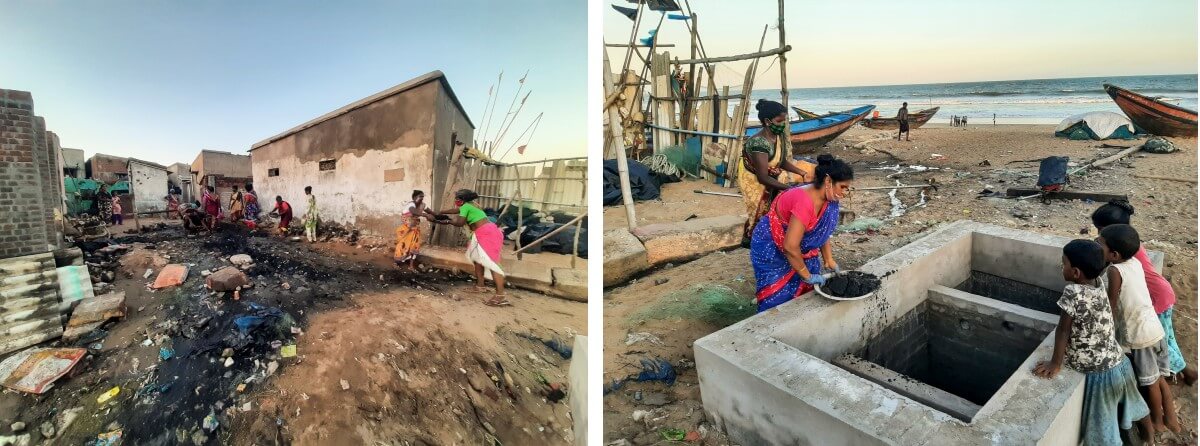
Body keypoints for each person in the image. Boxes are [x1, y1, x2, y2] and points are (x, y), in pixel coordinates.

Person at [1033, 240, 1150, 445]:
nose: (1062, 268)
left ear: (1076, 272)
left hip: (1097, 371)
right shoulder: (1099, 283)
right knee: (1134, 403)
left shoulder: (1073, 292)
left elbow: (1063, 330)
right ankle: (1149, 438)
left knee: (1102, 429)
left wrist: (1056, 363)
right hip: (1118, 360)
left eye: (1064, 264)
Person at [1092, 200, 1195, 385]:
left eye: (1100, 232)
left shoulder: (1120, 253)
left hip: (1155, 297)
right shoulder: (1130, 244)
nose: (1099, 237)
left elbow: (1104, 267)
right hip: (1162, 291)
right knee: (1167, 337)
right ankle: (1184, 370)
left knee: (1155, 342)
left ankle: (1185, 370)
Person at [1098, 224, 1180, 437]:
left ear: (1114, 255)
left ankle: (1157, 422)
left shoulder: (1115, 271)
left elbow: (1112, 305)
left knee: (1150, 382)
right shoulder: (1134, 262)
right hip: (1154, 328)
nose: (1097, 246)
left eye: (1100, 244)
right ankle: (1171, 418)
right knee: (1160, 377)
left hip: (1141, 338)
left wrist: (1105, 333)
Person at [749, 154, 853, 312]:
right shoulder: (804, 201)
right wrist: (807, 275)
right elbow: (790, 247)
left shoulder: (830, 199)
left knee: (807, 287)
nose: (845, 192)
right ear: (828, 181)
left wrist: (829, 259)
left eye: (848, 188)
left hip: (796, 242)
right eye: (842, 187)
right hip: (771, 244)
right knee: (776, 296)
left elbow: (821, 231)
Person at [738, 99, 817, 242]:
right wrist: (789, 189)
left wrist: (802, 173)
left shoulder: (777, 136)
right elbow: (762, 177)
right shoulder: (759, 143)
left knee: (774, 211)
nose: (783, 125)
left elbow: (780, 161)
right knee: (758, 213)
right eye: (780, 121)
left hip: (769, 176)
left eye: (785, 121)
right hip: (754, 180)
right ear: (768, 121)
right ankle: (753, 242)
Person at [431, 189, 508, 306]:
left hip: (487, 234)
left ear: (463, 200)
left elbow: (460, 223)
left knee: (493, 264)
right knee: (478, 261)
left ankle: (500, 296)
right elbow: (456, 210)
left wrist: (446, 220)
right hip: (484, 233)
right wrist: (441, 211)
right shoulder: (470, 205)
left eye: (457, 199)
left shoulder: (466, 206)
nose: (456, 201)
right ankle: (480, 286)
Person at [393, 190, 429, 271]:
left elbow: (430, 212)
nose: (421, 198)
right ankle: (395, 263)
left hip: (415, 230)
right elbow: (413, 210)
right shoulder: (411, 204)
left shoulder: (422, 205)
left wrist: (438, 216)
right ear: (414, 198)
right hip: (407, 230)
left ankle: (411, 266)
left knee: (414, 247)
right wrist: (425, 214)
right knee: (401, 246)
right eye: (420, 197)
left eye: (423, 197)